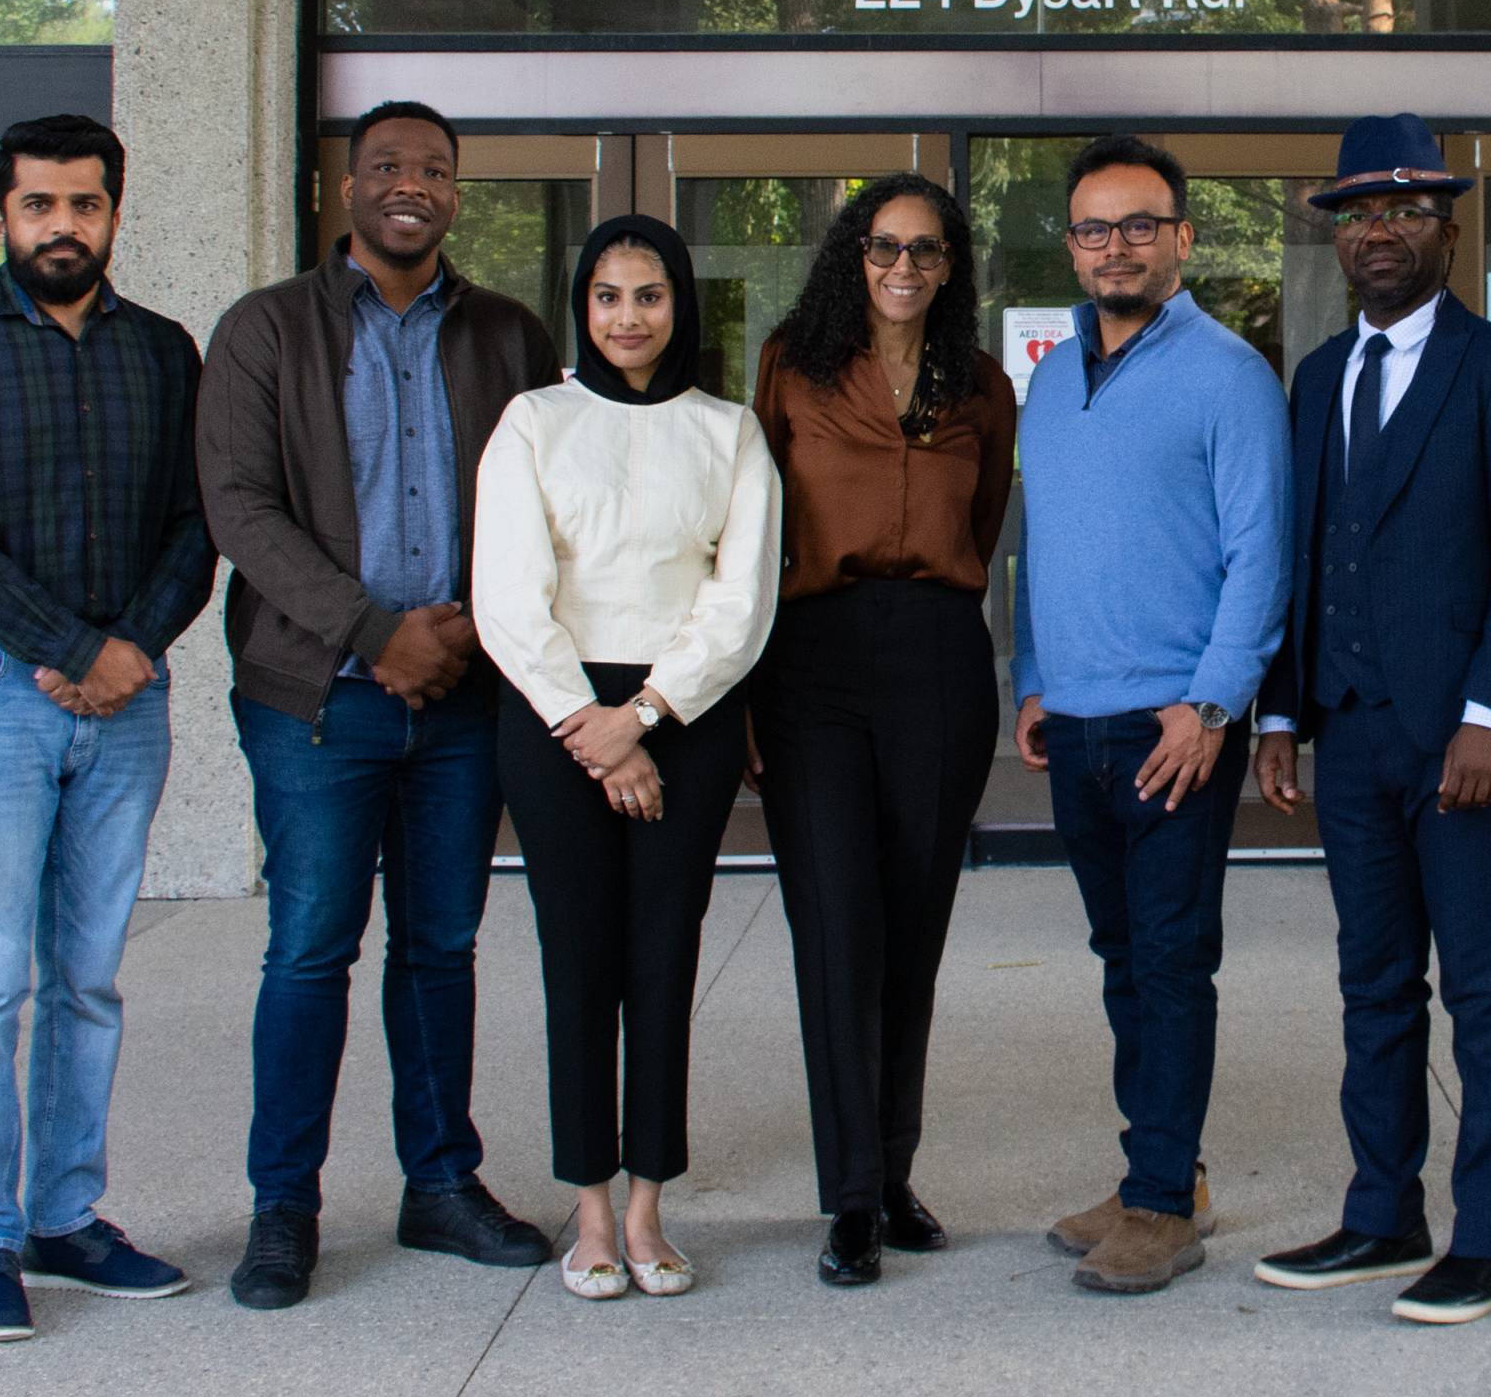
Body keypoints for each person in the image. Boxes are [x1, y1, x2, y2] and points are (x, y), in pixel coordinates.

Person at [197, 100, 561, 1309]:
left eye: (437, 170)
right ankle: (282, 1207)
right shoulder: (264, 329)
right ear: (347, 187)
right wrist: (376, 632)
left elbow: (542, 500)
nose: (414, 184)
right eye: (390, 166)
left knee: (441, 947)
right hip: (318, 700)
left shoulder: (507, 332)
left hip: (462, 699)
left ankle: (440, 1183)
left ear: (458, 193)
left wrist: (460, 631)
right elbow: (241, 507)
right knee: (308, 950)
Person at [0, 113, 218, 1343]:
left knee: (85, 979)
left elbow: (200, 519)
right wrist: (78, 648)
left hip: (127, 705)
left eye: (84, 204)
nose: (62, 226)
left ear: (115, 213)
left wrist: (131, 646)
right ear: (2, 218)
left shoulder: (162, 353)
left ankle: (67, 1216)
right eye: (39, 206)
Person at [1251, 111, 1491, 1328]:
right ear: (1340, 235)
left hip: (1458, 738)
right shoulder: (1321, 374)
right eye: (1362, 213)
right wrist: (1282, 708)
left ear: (1446, 226)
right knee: (1373, 982)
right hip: (1349, 728)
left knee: (1480, 985)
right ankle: (1385, 1211)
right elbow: (1304, 548)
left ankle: (1488, 1236)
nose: (1383, 231)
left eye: (1408, 210)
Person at [475, 214, 780, 1300]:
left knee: (663, 956)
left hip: (682, 716)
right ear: (583, 306)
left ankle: (650, 1203)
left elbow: (740, 603)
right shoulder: (533, 421)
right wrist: (592, 726)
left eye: (648, 294)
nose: (628, 316)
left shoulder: (728, 430)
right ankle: (590, 1209)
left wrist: (643, 716)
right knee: (579, 961)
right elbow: (508, 597)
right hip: (556, 716)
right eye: (607, 295)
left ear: (680, 303)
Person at [1013, 135, 1292, 1296]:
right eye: (1093, 227)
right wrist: (1030, 674)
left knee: (1171, 961)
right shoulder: (1049, 372)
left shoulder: (1229, 373)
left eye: (1140, 224)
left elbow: (1260, 551)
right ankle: (1159, 1170)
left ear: (1182, 237)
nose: (1115, 246)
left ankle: (1165, 1204)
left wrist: (1215, 702)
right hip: (1073, 717)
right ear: (1071, 244)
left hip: (1171, 724)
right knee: (1125, 956)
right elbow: (1042, 545)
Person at [750, 173, 1017, 1287]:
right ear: (853, 257)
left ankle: (892, 1172)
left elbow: (987, 519)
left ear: (951, 265)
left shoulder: (984, 387)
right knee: (838, 929)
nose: (902, 266)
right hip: (813, 662)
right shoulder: (792, 367)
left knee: (913, 928)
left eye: (926, 249)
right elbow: (750, 522)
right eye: (882, 247)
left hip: (939, 663)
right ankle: (849, 1194)